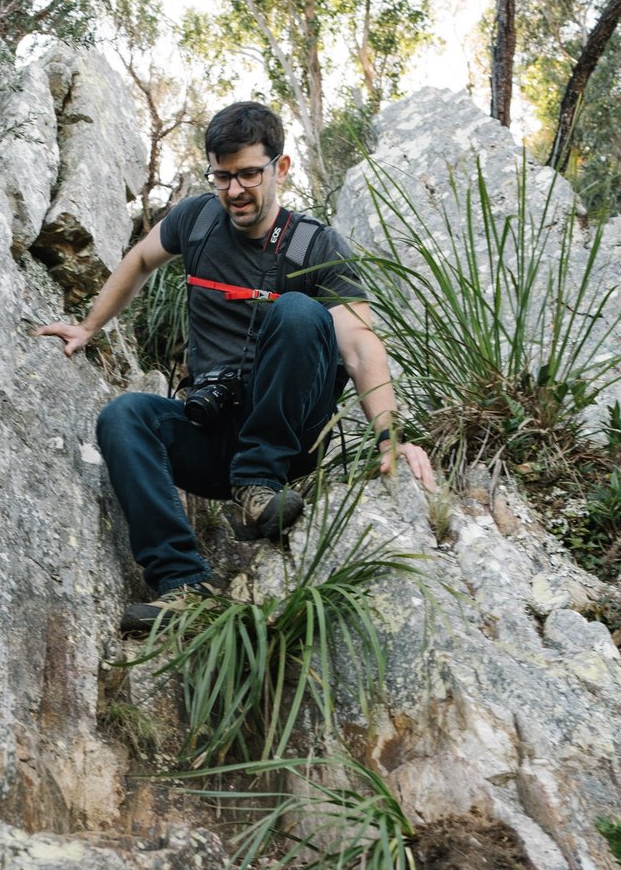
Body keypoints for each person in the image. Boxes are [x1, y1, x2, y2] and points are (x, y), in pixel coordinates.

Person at [37, 101, 434, 633]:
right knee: (123, 417)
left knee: (297, 312)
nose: (235, 191)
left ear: (281, 168)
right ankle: (184, 587)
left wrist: (390, 437)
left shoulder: (315, 245)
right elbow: (138, 260)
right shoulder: (198, 219)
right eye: (222, 176)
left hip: (286, 442)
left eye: (249, 173)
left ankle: (258, 485)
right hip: (212, 431)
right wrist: (89, 327)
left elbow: (360, 345)